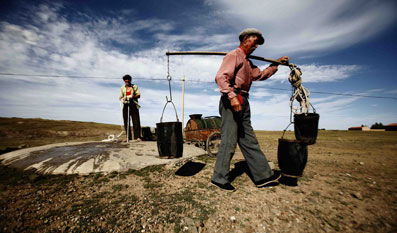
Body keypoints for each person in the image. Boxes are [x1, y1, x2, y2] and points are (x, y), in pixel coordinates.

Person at [211, 28, 289, 191]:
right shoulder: (234, 55)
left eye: (259, 44)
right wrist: (232, 97)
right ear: (245, 38)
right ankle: (219, 177)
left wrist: (275, 65)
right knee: (230, 139)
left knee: (248, 138)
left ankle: (263, 176)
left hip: (244, 99)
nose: (256, 46)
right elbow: (221, 77)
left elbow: (260, 75)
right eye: (255, 41)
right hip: (232, 98)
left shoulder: (247, 62)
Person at [119, 74, 142, 142]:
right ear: (124, 81)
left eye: (128, 80)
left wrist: (132, 96)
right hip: (126, 105)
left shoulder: (134, 86)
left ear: (130, 80)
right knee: (126, 121)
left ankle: (137, 137)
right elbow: (120, 96)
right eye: (126, 80)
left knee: (136, 121)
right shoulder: (122, 88)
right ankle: (128, 137)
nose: (127, 81)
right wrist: (122, 100)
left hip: (133, 104)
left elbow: (138, 95)